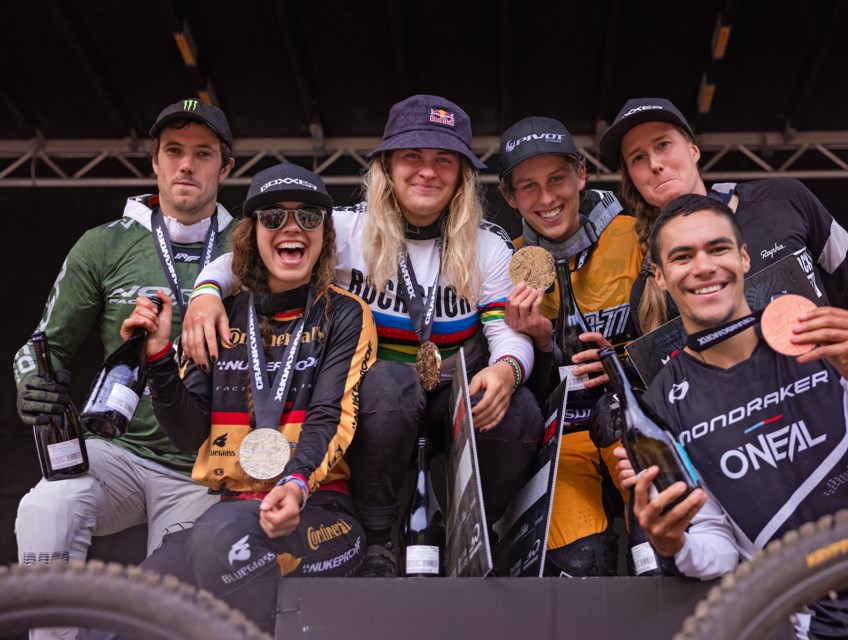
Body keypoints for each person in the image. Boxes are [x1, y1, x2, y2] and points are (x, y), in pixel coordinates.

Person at [180, 95, 543, 576]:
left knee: (519, 411)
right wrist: (206, 292)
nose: (427, 172)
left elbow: (507, 332)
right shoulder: (349, 228)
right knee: (390, 383)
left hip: (453, 400)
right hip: (371, 408)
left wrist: (506, 368)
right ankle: (377, 539)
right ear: (388, 167)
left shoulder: (488, 243)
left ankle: (480, 534)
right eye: (412, 156)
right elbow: (255, 250)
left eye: (443, 160)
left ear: (462, 174)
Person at [614, 193, 848, 638]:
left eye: (717, 248)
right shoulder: (660, 405)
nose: (703, 267)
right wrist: (674, 542)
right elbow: (719, 545)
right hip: (822, 626)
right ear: (659, 278)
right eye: (683, 256)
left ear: (743, 257)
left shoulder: (817, 334)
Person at [115, 162, 377, 633]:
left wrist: (295, 482)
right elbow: (188, 434)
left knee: (219, 539)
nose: (291, 228)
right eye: (273, 217)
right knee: (128, 607)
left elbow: (327, 419)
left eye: (309, 218)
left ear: (325, 235)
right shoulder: (221, 314)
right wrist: (157, 358)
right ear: (251, 232)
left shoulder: (344, 313)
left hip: (321, 512)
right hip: (230, 508)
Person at [13, 100, 236, 640]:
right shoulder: (106, 242)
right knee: (47, 505)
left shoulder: (249, 246)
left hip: (205, 468)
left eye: (202, 154)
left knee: (168, 609)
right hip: (120, 453)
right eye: (174, 152)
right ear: (155, 164)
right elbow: (43, 345)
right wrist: (30, 382)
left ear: (225, 168)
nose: (187, 166)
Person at [597, 97, 848, 393]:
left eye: (663, 144)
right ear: (632, 179)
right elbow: (677, 393)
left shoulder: (784, 199)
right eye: (638, 158)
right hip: (754, 444)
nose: (655, 163)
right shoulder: (653, 283)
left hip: (839, 412)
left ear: (693, 149)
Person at [499, 116, 641, 575]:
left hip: (640, 420)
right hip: (563, 437)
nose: (546, 198)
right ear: (509, 196)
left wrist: (622, 368)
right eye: (529, 186)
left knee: (659, 556)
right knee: (579, 567)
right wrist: (540, 341)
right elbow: (526, 391)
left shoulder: (638, 235)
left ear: (581, 175)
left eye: (557, 179)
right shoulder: (508, 263)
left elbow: (679, 341)